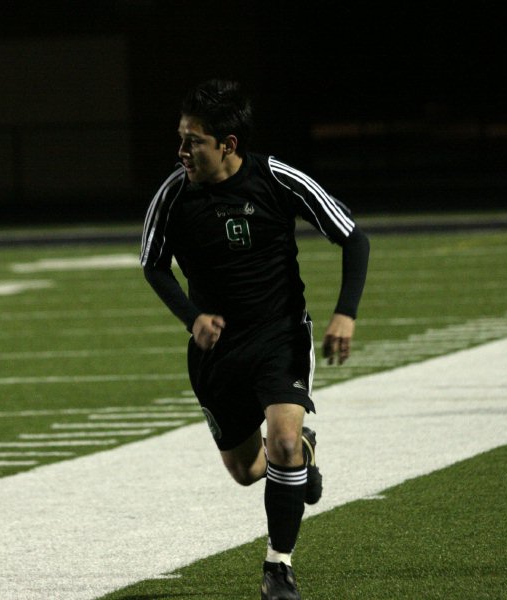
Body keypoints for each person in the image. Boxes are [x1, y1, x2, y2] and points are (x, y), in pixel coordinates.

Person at [141, 79, 370, 600]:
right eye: (180, 138)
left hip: (279, 334)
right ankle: (300, 458)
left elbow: (352, 236)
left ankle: (278, 568)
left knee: (283, 440)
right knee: (247, 470)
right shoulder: (173, 194)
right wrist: (192, 316)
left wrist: (345, 315)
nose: (181, 151)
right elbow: (152, 265)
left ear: (228, 144)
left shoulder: (276, 179)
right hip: (214, 351)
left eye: (192, 141)